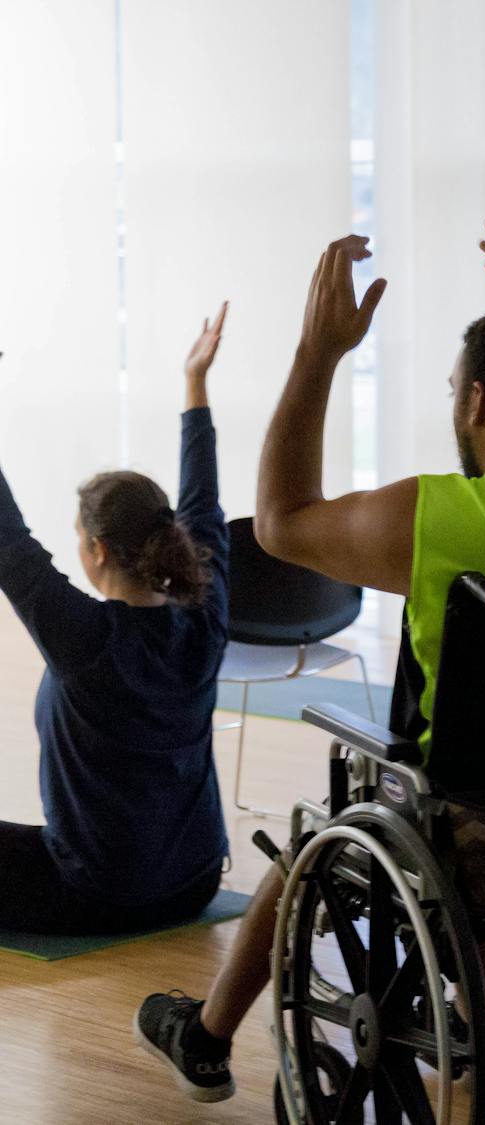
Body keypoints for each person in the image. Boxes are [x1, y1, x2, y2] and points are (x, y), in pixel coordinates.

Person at [135, 220, 485, 1104]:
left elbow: (279, 522)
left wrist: (317, 353)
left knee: (332, 814)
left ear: (474, 405)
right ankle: (472, 1011)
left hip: (473, 822)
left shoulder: (440, 520)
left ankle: (206, 1034)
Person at [0, 304, 230, 936]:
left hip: (98, 893)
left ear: (96, 550)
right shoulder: (203, 620)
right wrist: (195, 385)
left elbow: (9, 542)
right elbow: (204, 506)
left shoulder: (87, 639)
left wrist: (194, 385)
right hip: (195, 883)